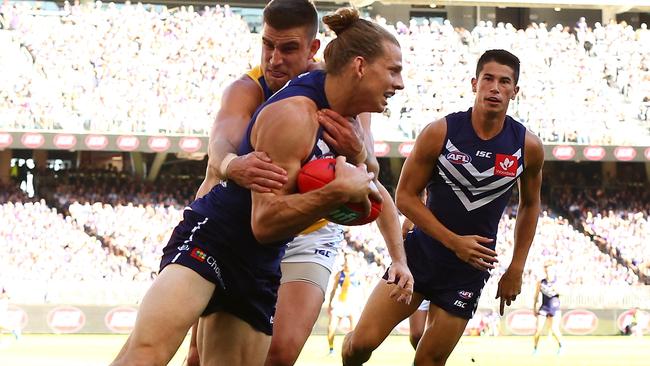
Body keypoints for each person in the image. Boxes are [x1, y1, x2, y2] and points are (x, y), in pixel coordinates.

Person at [111, 6, 407, 366]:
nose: (399, 84)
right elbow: (255, 208)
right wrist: (238, 165)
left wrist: (396, 254)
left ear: (314, 50)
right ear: (360, 67)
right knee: (150, 354)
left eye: (288, 49)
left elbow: (369, 178)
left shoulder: (349, 107)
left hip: (270, 252)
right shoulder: (282, 108)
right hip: (220, 236)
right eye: (393, 71)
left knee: (272, 357)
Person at [342, 49, 544, 366]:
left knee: (429, 360)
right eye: (488, 79)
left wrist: (516, 267)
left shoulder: (527, 146)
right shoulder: (441, 132)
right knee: (361, 344)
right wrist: (454, 242)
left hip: (470, 268)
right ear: (474, 83)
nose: (494, 88)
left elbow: (531, 206)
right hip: (420, 255)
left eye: (504, 82)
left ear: (514, 92)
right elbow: (405, 196)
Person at [327, 252, 363, 355]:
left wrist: (361, 302)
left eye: (349, 260)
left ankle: (351, 350)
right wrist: (330, 303)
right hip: (339, 304)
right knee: (331, 327)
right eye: (346, 260)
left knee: (354, 330)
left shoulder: (358, 274)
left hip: (352, 304)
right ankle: (331, 349)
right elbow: (333, 290)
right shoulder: (340, 274)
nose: (347, 262)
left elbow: (363, 288)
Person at [532, 262, 563, 354]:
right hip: (544, 307)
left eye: (549, 269)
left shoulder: (557, 281)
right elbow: (536, 296)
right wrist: (534, 307)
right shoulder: (541, 282)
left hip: (555, 308)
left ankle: (561, 346)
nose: (548, 271)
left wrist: (555, 288)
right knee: (538, 329)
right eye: (546, 269)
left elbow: (563, 293)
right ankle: (535, 349)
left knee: (554, 329)